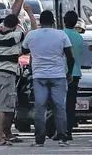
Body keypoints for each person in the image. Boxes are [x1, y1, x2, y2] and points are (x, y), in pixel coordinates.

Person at [0, 0, 36, 146]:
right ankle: (0, 135)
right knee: (4, 106)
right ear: (15, 26)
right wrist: (30, 12)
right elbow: (34, 30)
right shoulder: (17, 36)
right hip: (8, 74)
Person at [23, 10, 74, 148]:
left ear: (40, 22)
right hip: (58, 75)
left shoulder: (32, 35)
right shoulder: (61, 34)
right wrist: (69, 73)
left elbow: (23, 49)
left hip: (39, 76)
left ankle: (39, 140)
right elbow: (70, 56)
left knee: (40, 107)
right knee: (60, 107)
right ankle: (63, 138)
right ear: (53, 22)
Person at [62, 10, 84, 142]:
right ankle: (68, 130)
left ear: (64, 21)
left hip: (62, 73)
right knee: (71, 104)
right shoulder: (79, 37)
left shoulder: (61, 35)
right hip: (75, 73)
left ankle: (60, 129)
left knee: (59, 103)